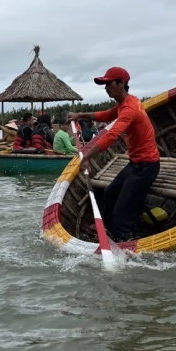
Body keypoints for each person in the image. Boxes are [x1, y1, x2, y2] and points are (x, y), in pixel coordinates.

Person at [67, 67, 160, 242]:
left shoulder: (130, 108)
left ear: (121, 83)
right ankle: (108, 230)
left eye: (108, 83)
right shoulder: (125, 104)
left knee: (122, 213)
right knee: (110, 193)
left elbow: (111, 135)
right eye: (104, 84)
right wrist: (80, 115)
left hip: (147, 166)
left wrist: (87, 157)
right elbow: (105, 115)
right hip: (136, 163)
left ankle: (123, 246)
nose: (105, 87)